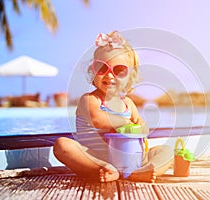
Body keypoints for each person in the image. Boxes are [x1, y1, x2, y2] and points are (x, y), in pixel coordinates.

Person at [53, 31, 173, 183]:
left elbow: (144, 128)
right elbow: (98, 120)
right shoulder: (90, 100)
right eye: (102, 68)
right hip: (97, 158)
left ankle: (146, 169)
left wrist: (140, 127)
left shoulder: (128, 104)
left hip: (132, 159)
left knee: (165, 150)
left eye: (119, 71)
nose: (109, 76)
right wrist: (126, 123)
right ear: (93, 71)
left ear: (130, 77)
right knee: (62, 145)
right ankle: (102, 170)